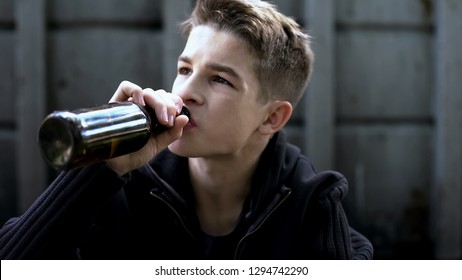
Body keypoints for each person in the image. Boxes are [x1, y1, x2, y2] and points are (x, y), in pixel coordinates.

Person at [0, 0, 373, 259]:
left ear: (272, 118)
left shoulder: (313, 206)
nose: (185, 92)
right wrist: (102, 167)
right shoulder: (125, 189)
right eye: (184, 70)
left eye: (220, 80)